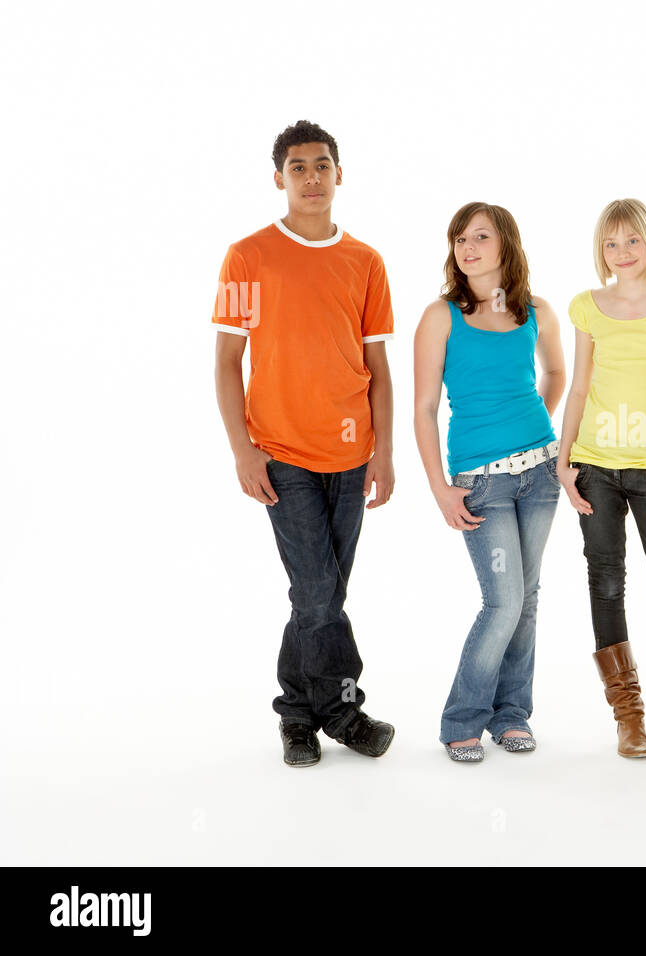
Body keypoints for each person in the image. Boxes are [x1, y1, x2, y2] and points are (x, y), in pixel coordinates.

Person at [212, 119, 397, 768]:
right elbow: (227, 360)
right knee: (318, 593)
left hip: (352, 456)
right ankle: (339, 713)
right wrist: (242, 449)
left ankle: (297, 715)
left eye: (322, 165)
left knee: (319, 597)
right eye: (298, 168)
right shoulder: (248, 256)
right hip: (281, 453)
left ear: (339, 174)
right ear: (279, 179)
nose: (312, 177)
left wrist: (385, 451)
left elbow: (378, 368)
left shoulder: (366, 261)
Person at [413, 203, 566, 763]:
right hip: (479, 482)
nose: (468, 247)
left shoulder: (536, 311)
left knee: (527, 599)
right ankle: (462, 719)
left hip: (542, 473)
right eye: (460, 238)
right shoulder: (440, 316)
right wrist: (439, 488)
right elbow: (425, 408)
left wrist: (534, 432)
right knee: (502, 600)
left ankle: (512, 715)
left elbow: (555, 374)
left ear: (507, 244)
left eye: (481, 236)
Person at [556, 199, 646, 761]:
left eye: (632, 241)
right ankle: (628, 717)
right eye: (611, 244)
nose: (622, 252)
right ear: (601, 251)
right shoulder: (586, 307)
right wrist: (565, 465)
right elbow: (576, 387)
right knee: (606, 584)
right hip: (595, 467)